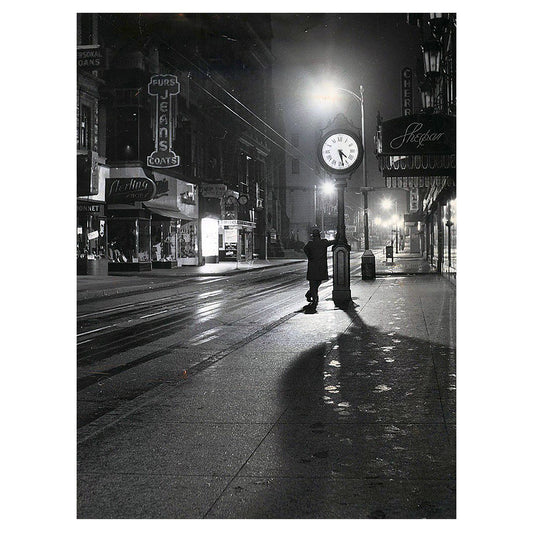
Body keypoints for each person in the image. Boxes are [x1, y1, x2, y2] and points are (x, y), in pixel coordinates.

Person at [303, 227, 336, 311]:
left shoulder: (310, 244)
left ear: (313, 236)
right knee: (317, 282)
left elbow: (305, 249)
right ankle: (314, 299)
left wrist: (310, 257)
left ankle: (311, 295)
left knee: (313, 284)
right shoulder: (323, 242)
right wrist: (339, 236)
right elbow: (333, 242)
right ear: (319, 235)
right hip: (321, 267)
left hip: (312, 267)